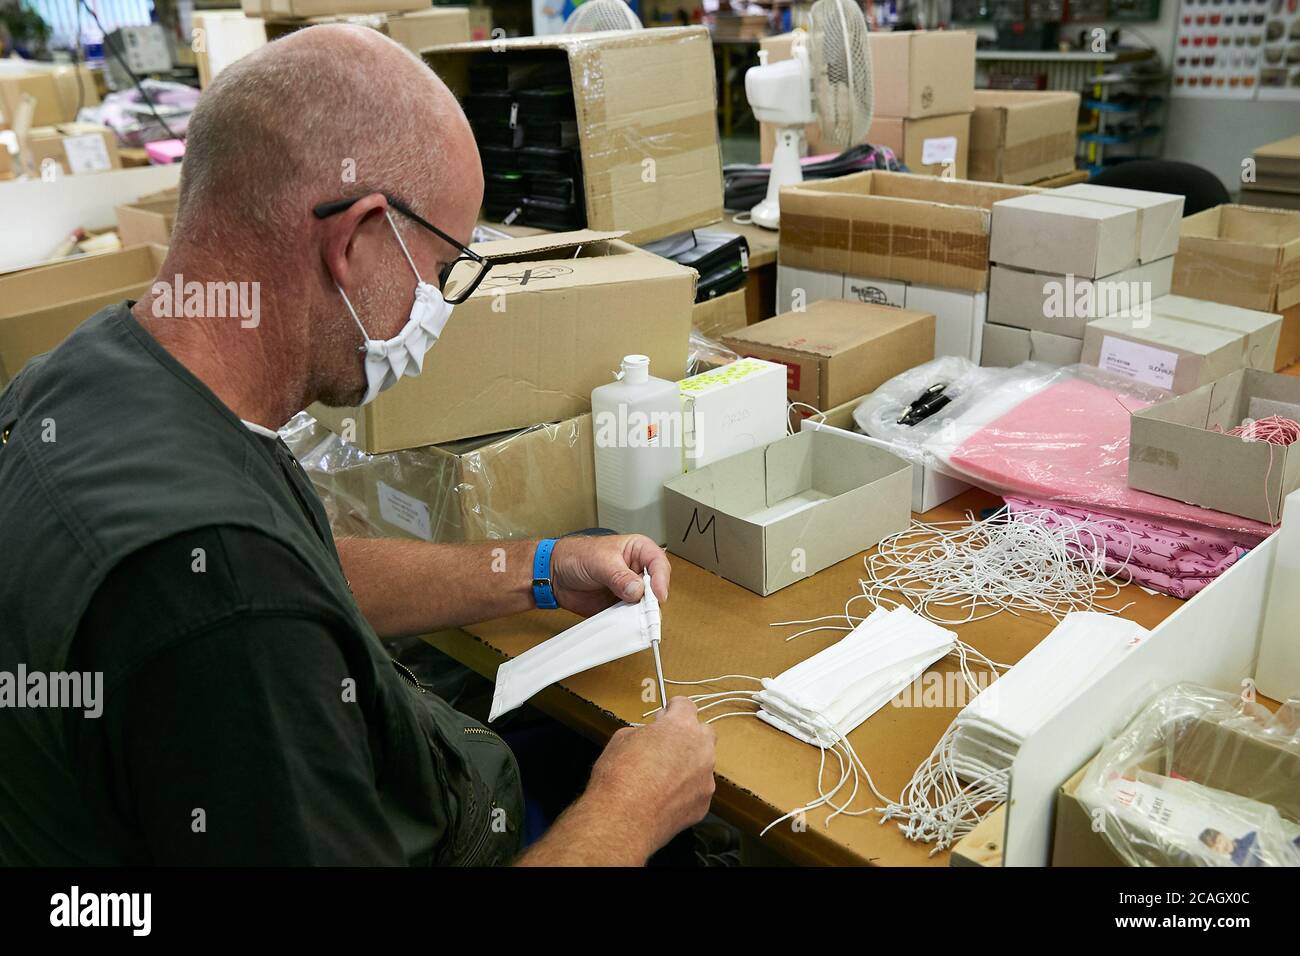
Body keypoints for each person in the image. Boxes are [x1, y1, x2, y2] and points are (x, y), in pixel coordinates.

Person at [0, 25, 715, 866]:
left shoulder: (87, 373)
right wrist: (632, 810)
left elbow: (307, 574)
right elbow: (255, 596)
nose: (438, 308)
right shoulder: (227, 606)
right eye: (444, 271)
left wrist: (541, 567)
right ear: (358, 240)